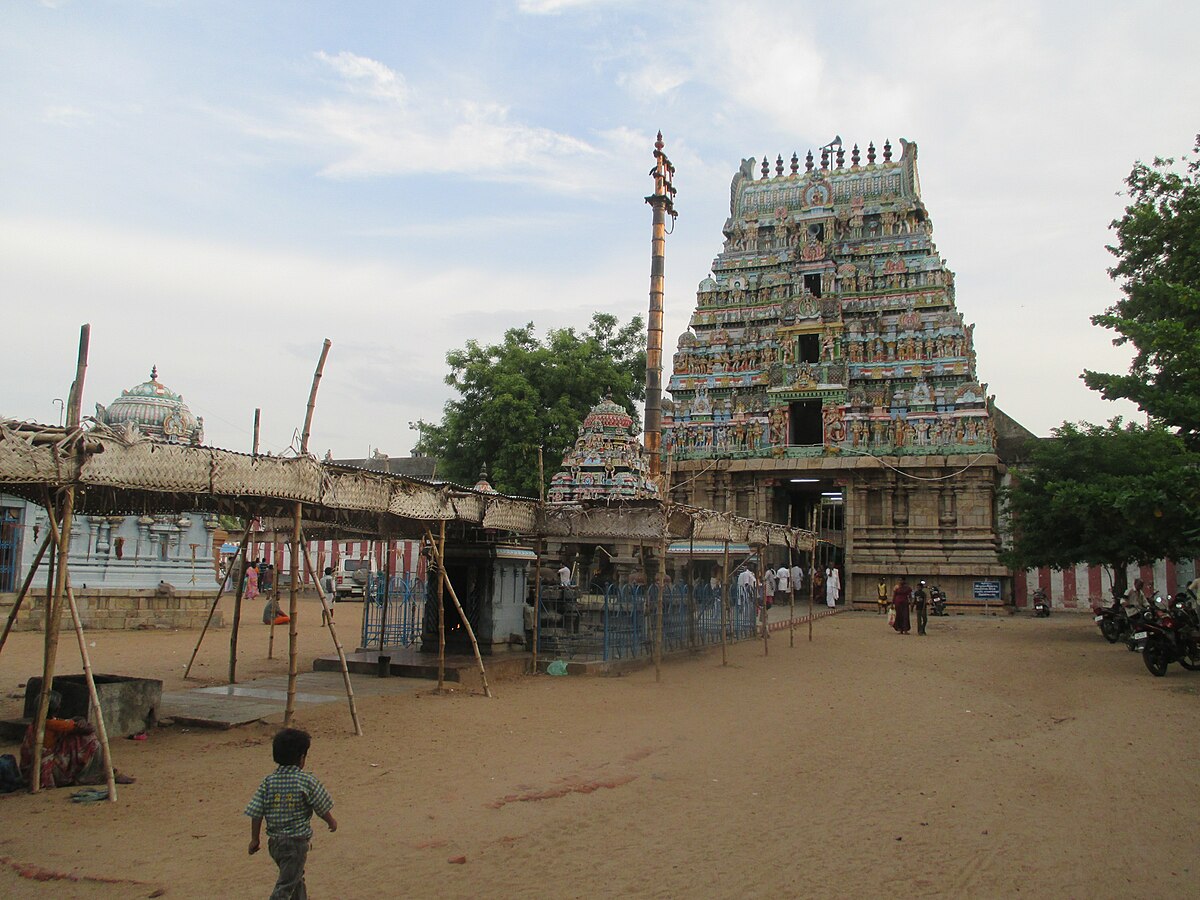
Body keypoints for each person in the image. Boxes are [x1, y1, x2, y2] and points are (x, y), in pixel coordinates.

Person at [246, 728, 337, 900]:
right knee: (286, 884)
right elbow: (321, 805)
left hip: (275, 844)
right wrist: (331, 822)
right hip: (296, 843)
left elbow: (256, 812)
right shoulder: (306, 780)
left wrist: (255, 839)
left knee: (295, 877)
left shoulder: (268, 782)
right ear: (302, 758)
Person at [19, 691, 134, 788]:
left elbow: (69, 722)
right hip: (46, 770)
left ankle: (107, 771)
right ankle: (103, 773)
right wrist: (81, 723)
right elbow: (88, 729)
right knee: (89, 740)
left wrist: (79, 721)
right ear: (55, 708)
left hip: (32, 769)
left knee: (75, 739)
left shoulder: (39, 722)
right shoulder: (51, 724)